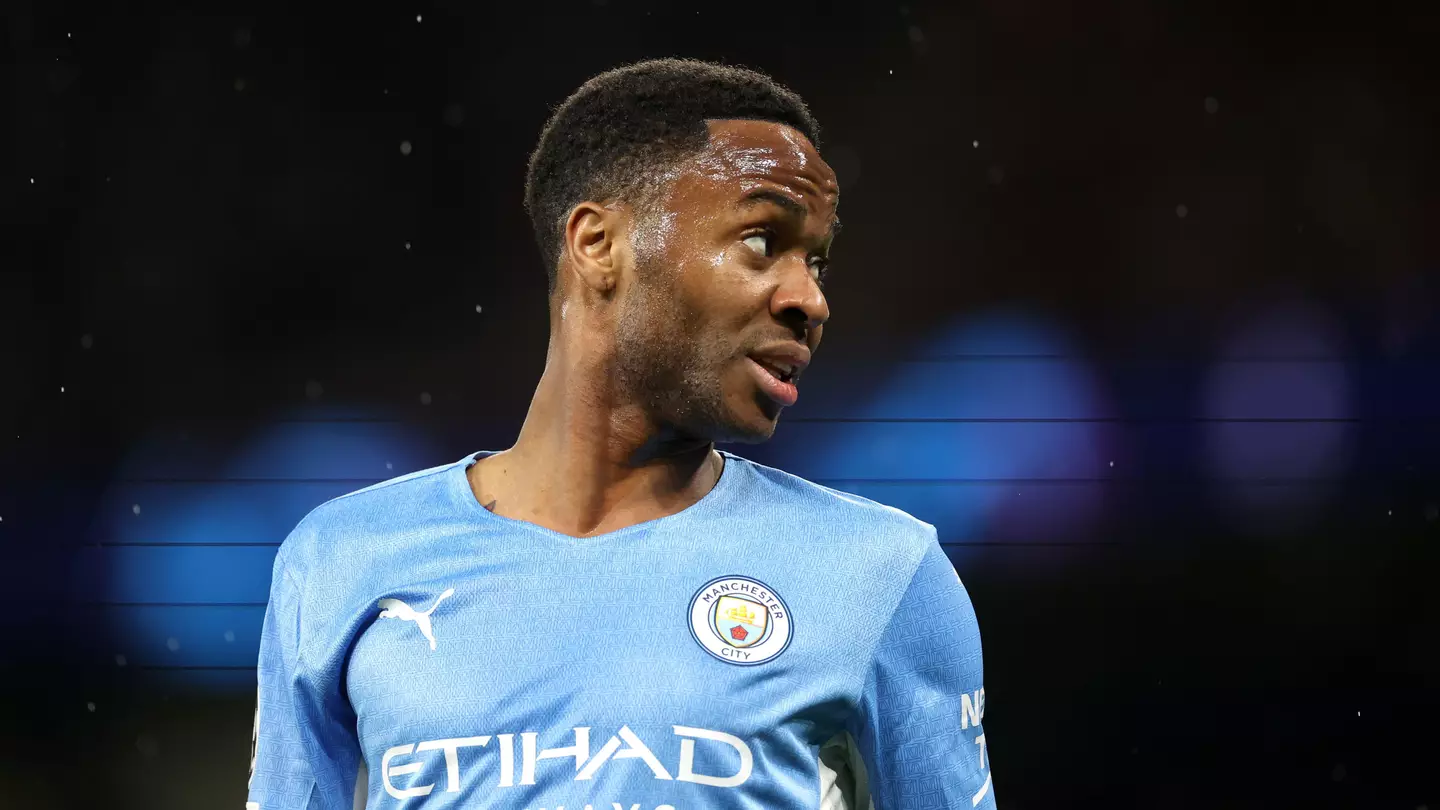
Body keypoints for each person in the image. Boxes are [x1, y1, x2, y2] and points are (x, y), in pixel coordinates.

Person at [246, 57, 993, 810]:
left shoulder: (882, 573)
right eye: (763, 241)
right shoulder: (344, 560)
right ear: (599, 246)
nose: (809, 299)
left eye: (818, 262)